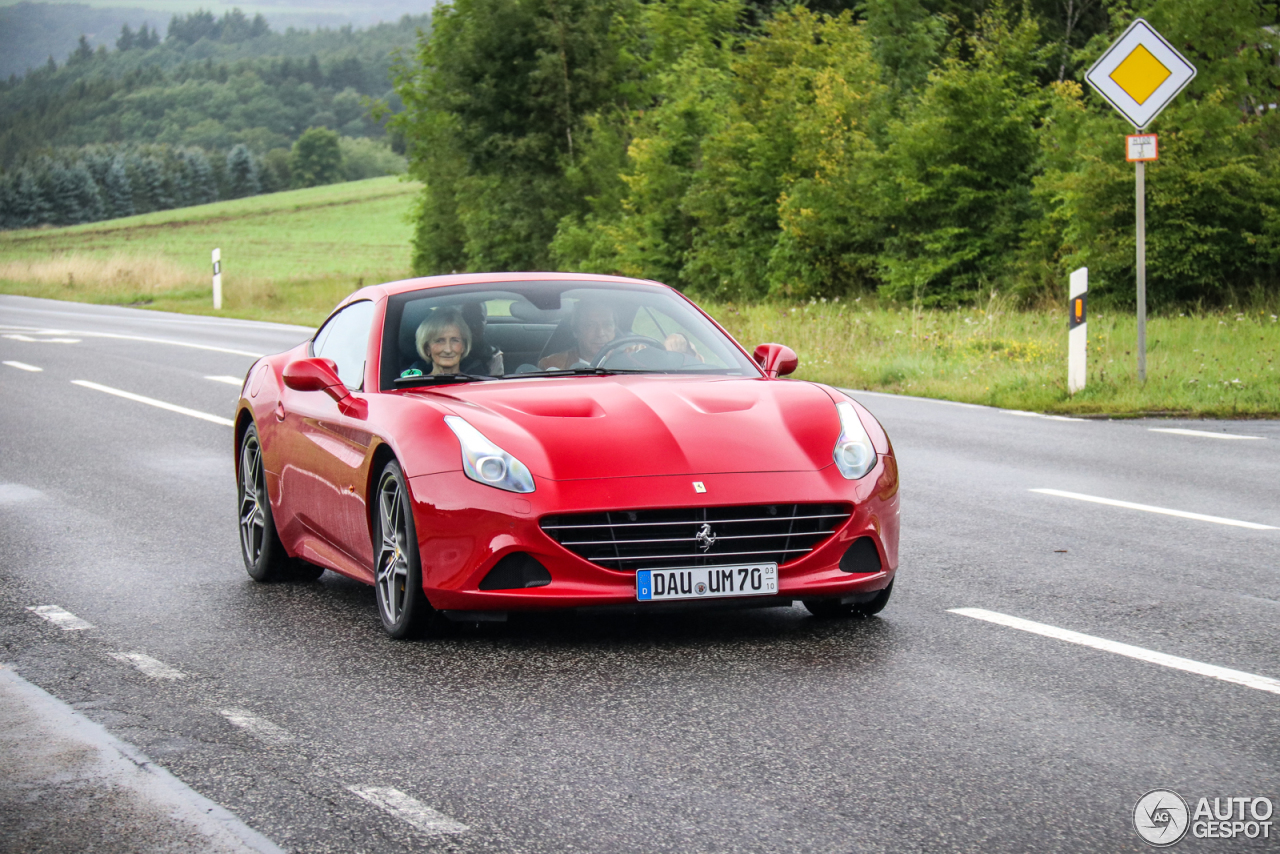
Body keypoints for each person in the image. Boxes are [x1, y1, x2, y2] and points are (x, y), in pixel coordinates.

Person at [539, 300, 617, 370]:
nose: (600, 333)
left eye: (608, 325)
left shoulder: (626, 359)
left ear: (615, 330)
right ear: (575, 331)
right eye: (590, 325)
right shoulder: (552, 365)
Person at [402, 307, 471, 377]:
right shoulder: (415, 386)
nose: (448, 350)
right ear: (427, 348)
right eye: (440, 341)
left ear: (463, 346)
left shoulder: (477, 385)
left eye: (455, 340)